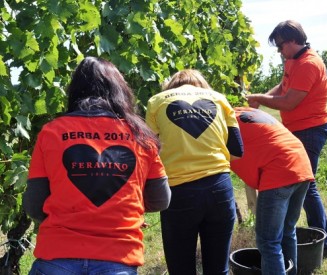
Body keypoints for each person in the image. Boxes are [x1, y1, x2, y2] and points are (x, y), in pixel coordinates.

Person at [23, 57, 171, 275]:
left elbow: (34, 205)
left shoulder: (51, 132)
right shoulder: (141, 136)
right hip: (118, 256)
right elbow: (161, 200)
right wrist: (121, 206)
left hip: (57, 256)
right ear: (120, 89)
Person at [246, 20, 327, 258]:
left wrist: (259, 99)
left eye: (280, 45)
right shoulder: (294, 60)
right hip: (298, 129)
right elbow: (284, 85)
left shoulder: (309, 64)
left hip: (310, 130)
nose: (279, 50)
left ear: (293, 40)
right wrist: (264, 96)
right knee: (306, 186)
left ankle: (325, 244)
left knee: (306, 187)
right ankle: (322, 242)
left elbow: (289, 101)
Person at [145, 69, 243, 275]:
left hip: (179, 194)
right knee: (218, 270)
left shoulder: (157, 101)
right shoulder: (220, 99)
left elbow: (149, 153)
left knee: (181, 269)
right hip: (220, 189)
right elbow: (237, 150)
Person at [231, 107, 313, 275]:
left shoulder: (221, 122)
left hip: (279, 171)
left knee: (268, 241)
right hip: (301, 165)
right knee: (287, 231)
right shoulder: (242, 111)